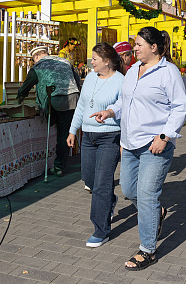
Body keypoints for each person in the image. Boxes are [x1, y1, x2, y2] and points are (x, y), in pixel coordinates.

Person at [91, 26, 186, 271]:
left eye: (139, 44)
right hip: (130, 142)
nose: (134, 48)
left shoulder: (168, 71)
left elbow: (179, 107)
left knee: (146, 194)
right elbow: (125, 100)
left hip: (155, 144)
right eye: (135, 44)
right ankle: (157, 212)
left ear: (154, 47)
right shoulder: (133, 69)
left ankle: (148, 250)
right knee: (129, 189)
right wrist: (111, 111)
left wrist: (165, 136)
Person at [67, 43, 125, 248]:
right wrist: (73, 130)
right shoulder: (91, 77)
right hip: (88, 136)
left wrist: (124, 142)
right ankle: (109, 201)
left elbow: (124, 112)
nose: (91, 62)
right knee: (89, 179)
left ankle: (101, 231)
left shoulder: (120, 81)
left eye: (94, 59)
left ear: (107, 61)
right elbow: (82, 105)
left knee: (102, 183)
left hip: (109, 136)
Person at [17, 45, 81, 176]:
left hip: (54, 101)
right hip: (72, 98)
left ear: (36, 57)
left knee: (58, 132)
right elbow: (77, 80)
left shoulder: (38, 66)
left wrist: (18, 99)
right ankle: (59, 165)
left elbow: (26, 87)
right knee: (64, 133)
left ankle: (56, 165)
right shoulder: (65, 61)